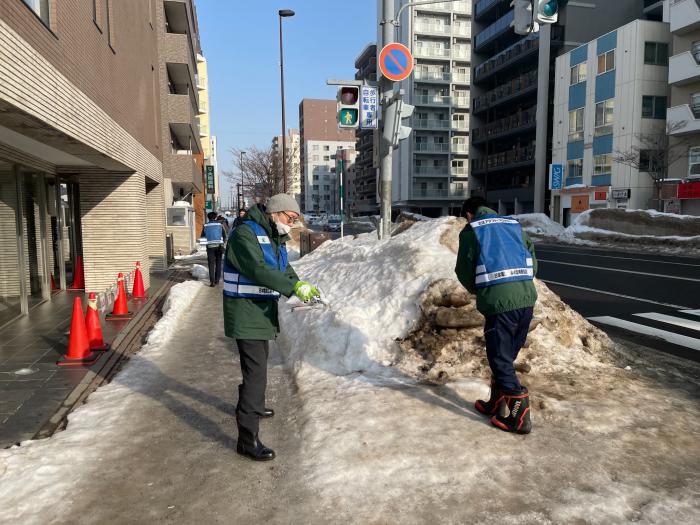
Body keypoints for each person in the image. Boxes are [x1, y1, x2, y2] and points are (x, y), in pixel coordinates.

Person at [223, 194, 320, 461]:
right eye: (290, 218)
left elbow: (283, 268)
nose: (292, 224)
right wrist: (291, 289)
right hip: (245, 312)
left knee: (257, 367)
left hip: (260, 312)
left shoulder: (272, 237)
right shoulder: (245, 235)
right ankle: (247, 439)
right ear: (275, 213)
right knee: (256, 374)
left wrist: (299, 285)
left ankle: (253, 405)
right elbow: (257, 269)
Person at [455, 197, 538, 434]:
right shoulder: (513, 224)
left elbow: (463, 271)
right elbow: (532, 259)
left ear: (469, 215)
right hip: (526, 298)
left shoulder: (473, 230)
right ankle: (497, 402)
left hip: (499, 303)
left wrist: (482, 290)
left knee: (499, 358)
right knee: (506, 356)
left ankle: (519, 414)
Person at [202, 211, 225, 287]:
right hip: (219, 247)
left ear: (208, 218)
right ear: (215, 217)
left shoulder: (205, 226)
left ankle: (212, 282)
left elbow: (202, 236)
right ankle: (217, 280)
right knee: (218, 263)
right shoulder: (220, 225)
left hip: (210, 247)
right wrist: (222, 243)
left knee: (211, 264)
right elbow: (224, 236)